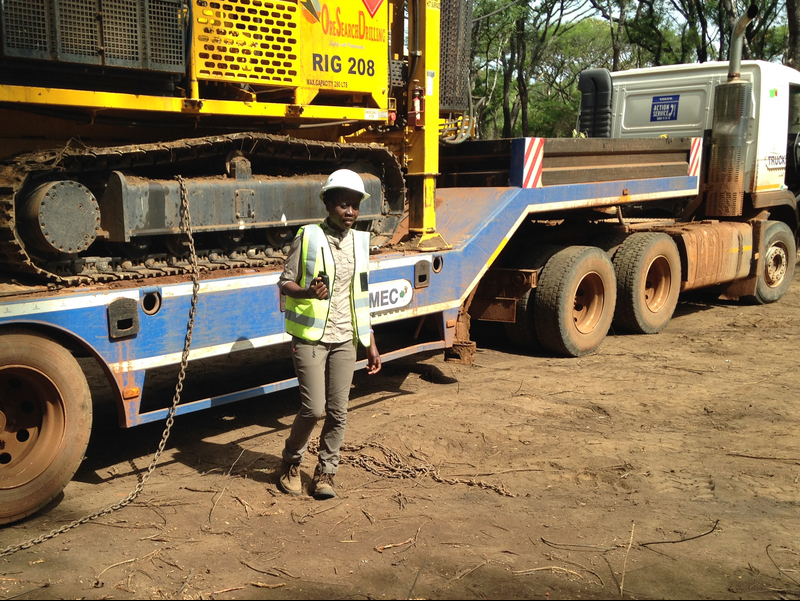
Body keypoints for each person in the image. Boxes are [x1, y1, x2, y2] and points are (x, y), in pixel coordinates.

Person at [277, 168, 382, 499]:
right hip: (311, 337)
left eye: (355, 205)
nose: (350, 212)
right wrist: (307, 293)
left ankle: (326, 472)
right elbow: (284, 282)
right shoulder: (307, 236)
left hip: (346, 338)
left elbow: (361, 297)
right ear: (328, 203)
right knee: (314, 409)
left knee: (339, 411)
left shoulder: (360, 243)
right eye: (343, 204)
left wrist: (371, 343)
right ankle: (291, 462)